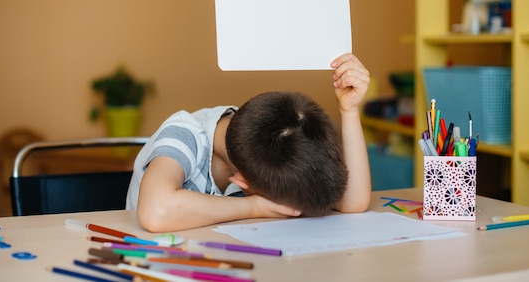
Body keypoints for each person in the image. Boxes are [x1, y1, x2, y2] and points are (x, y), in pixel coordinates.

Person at [126, 53, 371, 232]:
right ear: (241, 180)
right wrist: (254, 207)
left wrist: (349, 111)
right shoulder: (184, 133)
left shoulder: (270, 141)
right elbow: (156, 211)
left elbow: (353, 202)